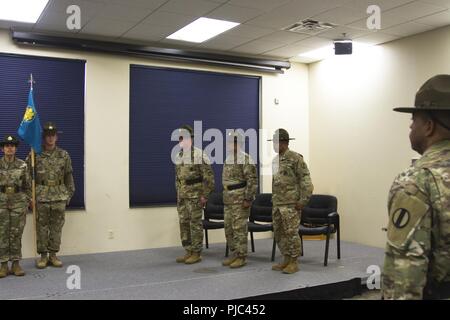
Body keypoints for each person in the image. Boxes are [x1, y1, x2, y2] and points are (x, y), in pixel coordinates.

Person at [382, 75, 450, 299]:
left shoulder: (416, 181)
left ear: (429, 126)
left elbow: (404, 278)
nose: (410, 126)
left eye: (413, 119)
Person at [28, 122, 75, 269]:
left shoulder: (64, 155)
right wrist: (30, 196)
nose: (50, 139)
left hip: (59, 195)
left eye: (52, 136)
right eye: (47, 136)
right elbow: (27, 177)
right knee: (41, 227)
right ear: (43, 138)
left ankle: (53, 255)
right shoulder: (35, 154)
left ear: (56, 138)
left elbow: (68, 176)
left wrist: (69, 194)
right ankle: (43, 256)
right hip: (41, 195)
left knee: (56, 227)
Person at [269, 129, 313, 274]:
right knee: (279, 233)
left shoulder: (296, 159)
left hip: (290, 204)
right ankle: (286, 259)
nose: (274, 145)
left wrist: (303, 200)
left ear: (285, 142)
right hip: (277, 203)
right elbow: (275, 183)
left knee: (291, 233)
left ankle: (294, 261)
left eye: (276, 142)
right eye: (273, 142)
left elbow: (305, 180)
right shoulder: (275, 161)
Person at [174, 125, 215, 264]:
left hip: (195, 196)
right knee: (184, 224)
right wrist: (178, 194)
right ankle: (188, 250)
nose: (182, 140)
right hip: (182, 196)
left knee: (195, 224)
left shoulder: (199, 154)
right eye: (180, 138)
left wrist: (204, 196)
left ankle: (196, 253)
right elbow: (178, 177)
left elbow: (209, 178)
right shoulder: (179, 155)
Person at [221, 131, 257, 268]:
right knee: (229, 229)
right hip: (228, 200)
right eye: (228, 142)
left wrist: (248, 198)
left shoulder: (245, 159)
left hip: (240, 200)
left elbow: (252, 180)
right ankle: (234, 254)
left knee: (239, 229)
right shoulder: (228, 159)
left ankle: (241, 256)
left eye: (232, 142)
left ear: (239, 144)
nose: (229, 144)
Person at [0, 135, 31, 278]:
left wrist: (26, 201)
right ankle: (3, 264)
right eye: (7, 146)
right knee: (2, 234)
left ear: (16, 148)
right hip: (1, 203)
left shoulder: (22, 165)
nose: (9, 148)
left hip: (18, 203)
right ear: (2, 149)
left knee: (16, 234)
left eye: (12, 146)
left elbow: (28, 186)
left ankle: (16, 263)